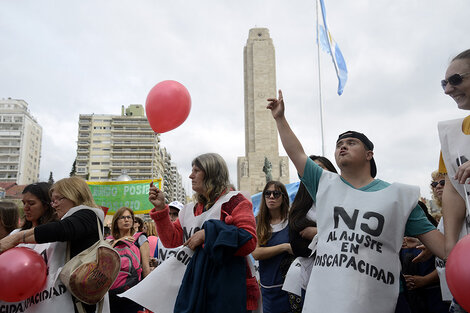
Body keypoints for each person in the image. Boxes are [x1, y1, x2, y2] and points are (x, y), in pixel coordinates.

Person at [266, 90, 445, 313]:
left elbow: (444, 248)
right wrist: (280, 118)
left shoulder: (399, 197)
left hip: (383, 300)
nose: (343, 146)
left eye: (351, 143)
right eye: (339, 143)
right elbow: (297, 153)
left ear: (369, 154)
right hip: (331, 300)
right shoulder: (324, 184)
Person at [122, 153, 258, 313]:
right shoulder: (192, 209)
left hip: (226, 288)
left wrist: (208, 235)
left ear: (212, 173)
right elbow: (171, 240)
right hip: (195, 287)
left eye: (196, 171)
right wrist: (161, 209)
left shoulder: (235, 202)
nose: (190, 175)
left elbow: (249, 241)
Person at [0, 176, 110, 313]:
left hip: (78, 306)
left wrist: (15, 238)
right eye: (52, 201)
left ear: (74, 196)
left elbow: (62, 229)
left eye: (58, 199)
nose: (54, 205)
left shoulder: (89, 214)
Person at [437, 49, 470, 313]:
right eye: (444, 83)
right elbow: (454, 191)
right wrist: (451, 248)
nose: (448, 89)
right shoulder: (452, 135)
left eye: (456, 79)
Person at [283, 155, 337, 312]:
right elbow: (299, 247)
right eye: (312, 168)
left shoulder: (346, 199)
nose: (316, 171)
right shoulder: (300, 207)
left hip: (341, 280)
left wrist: (319, 232)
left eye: (321, 167)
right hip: (312, 282)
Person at [400, 201, 449, 313]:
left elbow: (449, 261)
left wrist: (424, 280)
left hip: (437, 296)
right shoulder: (403, 239)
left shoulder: (436, 233)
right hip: (416, 299)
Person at [252, 181, 293, 313]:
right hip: (269, 288)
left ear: (283, 197)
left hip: (291, 288)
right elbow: (256, 253)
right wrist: (285, 247)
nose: (271, 197)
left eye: (276, 194)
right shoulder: (258, 222)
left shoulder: (292, 220)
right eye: (267, 193)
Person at [107, 207, 150, 313]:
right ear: (116, 222)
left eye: (129, 217)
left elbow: (145, 268)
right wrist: (118, 241)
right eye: (122, 217)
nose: (126, 220)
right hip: (110, 293)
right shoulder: (109, 241)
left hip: (133, 292)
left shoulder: (140, 238)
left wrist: (148, 292)